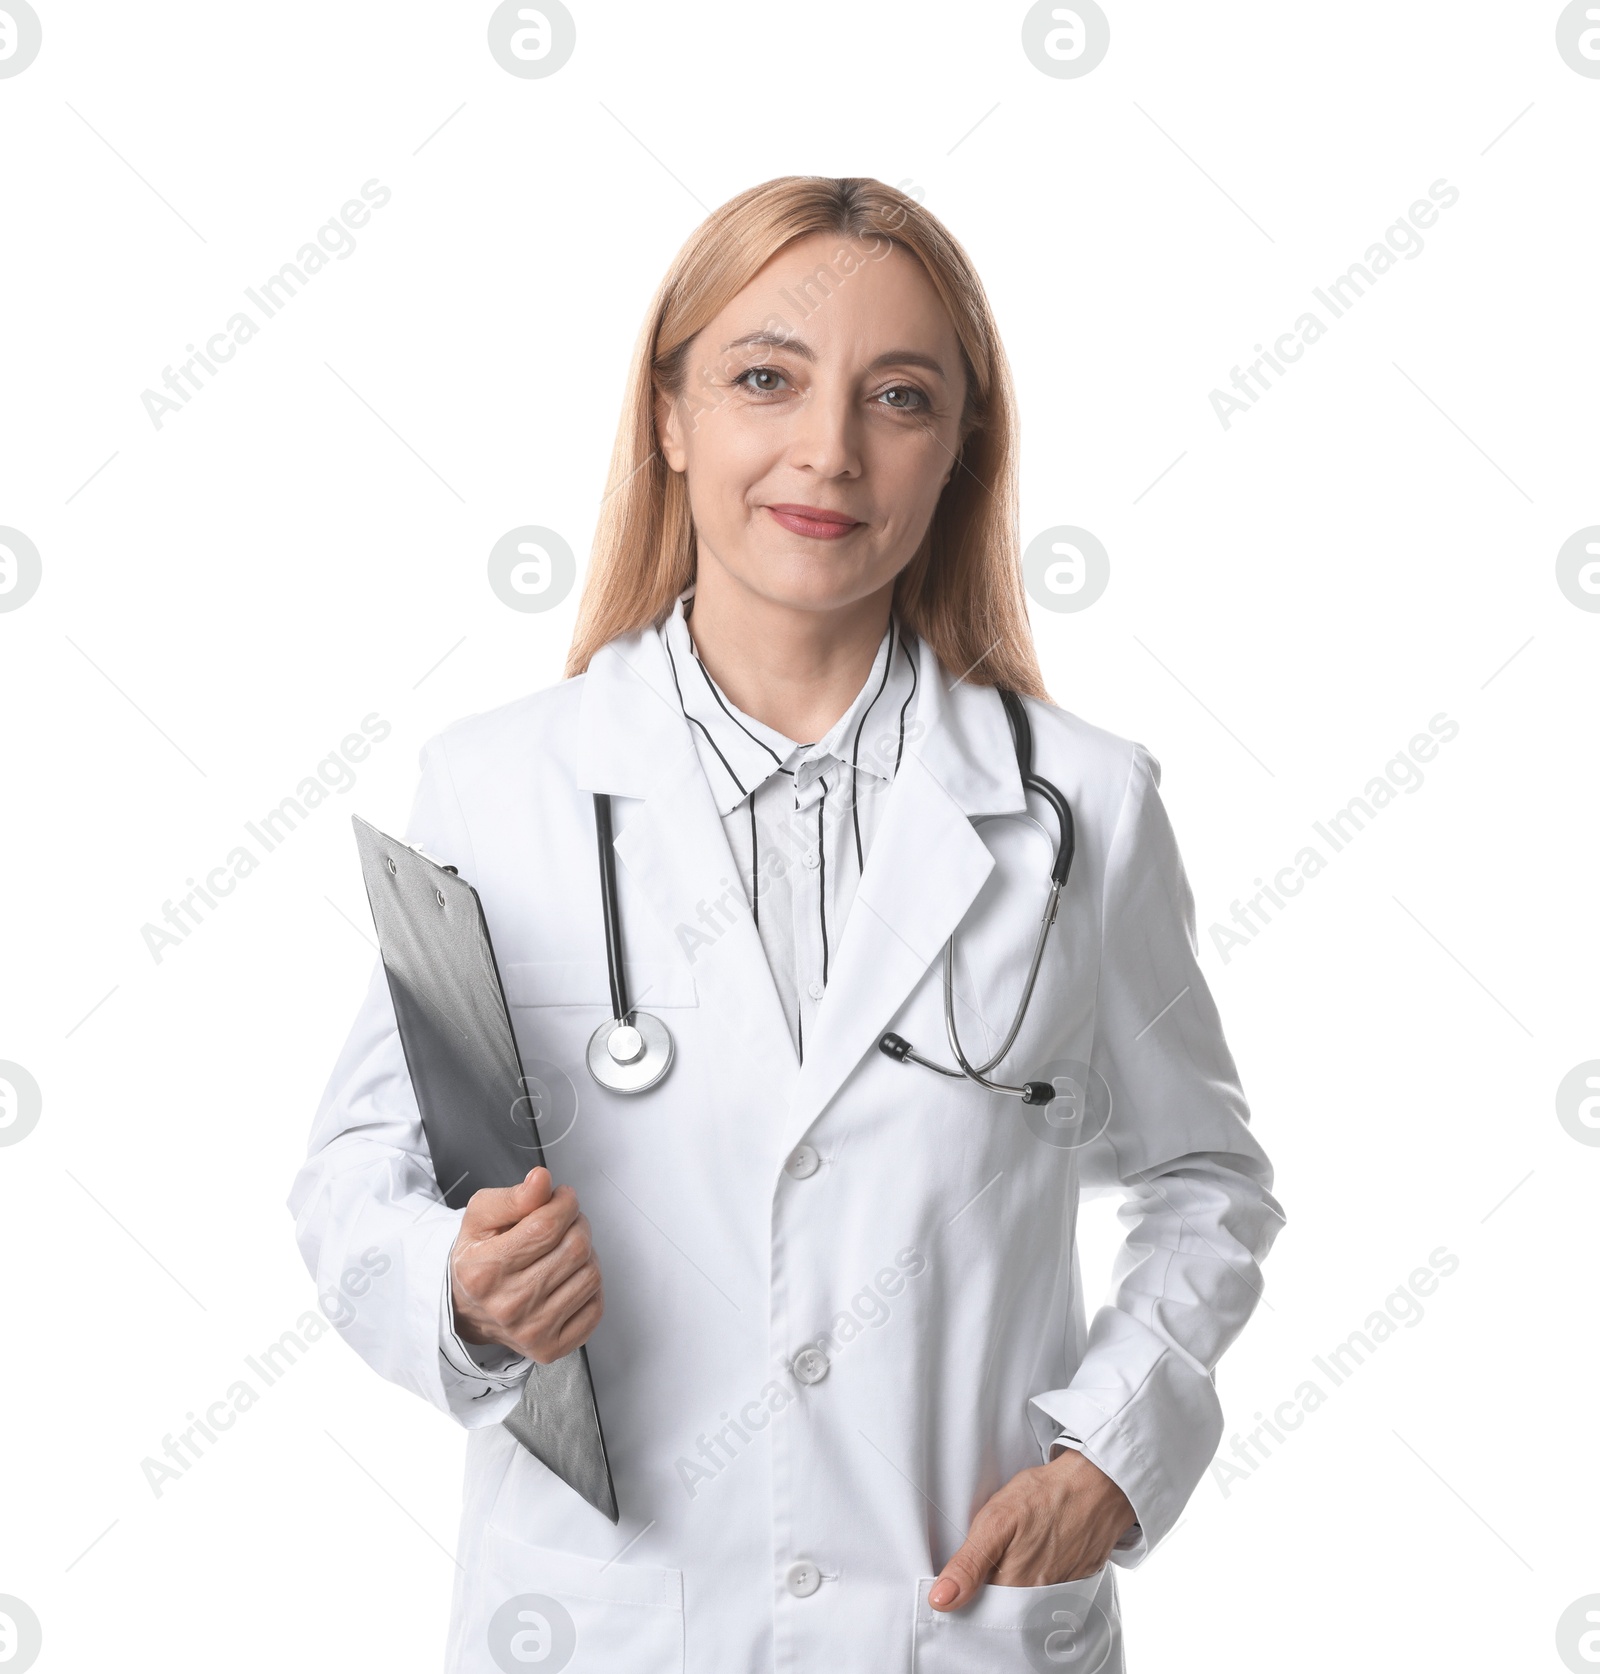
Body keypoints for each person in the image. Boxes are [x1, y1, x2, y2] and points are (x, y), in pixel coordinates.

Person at [289, 175, 1284, 1673]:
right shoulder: (501, 789)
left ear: (960, 452)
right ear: (672, 416)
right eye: (767, 378)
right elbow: (355, 1181)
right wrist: (461, 1289)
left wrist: (1113, 1454)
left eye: (900, 397)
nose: (829, 449)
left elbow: (1207, 1178)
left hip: (949, 1612)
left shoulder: (1081, 807)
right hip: (617, 1619)